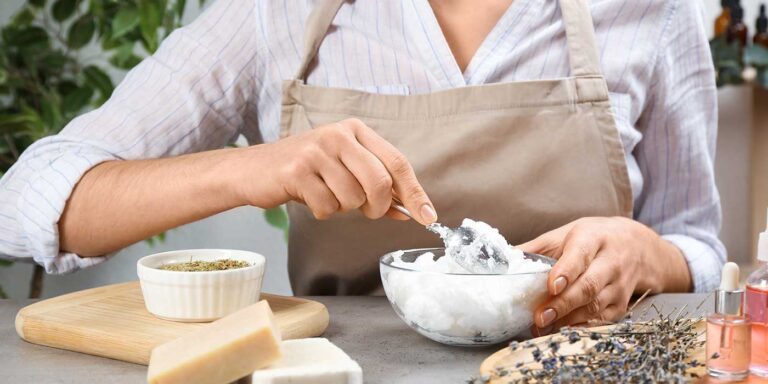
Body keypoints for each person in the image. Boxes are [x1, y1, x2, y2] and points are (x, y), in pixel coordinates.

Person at [0, 0, 724, 333]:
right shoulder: (275, 13)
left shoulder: (657, 10)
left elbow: (698, 246)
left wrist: (645, 252)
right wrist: (247, 170)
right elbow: (23, 202)